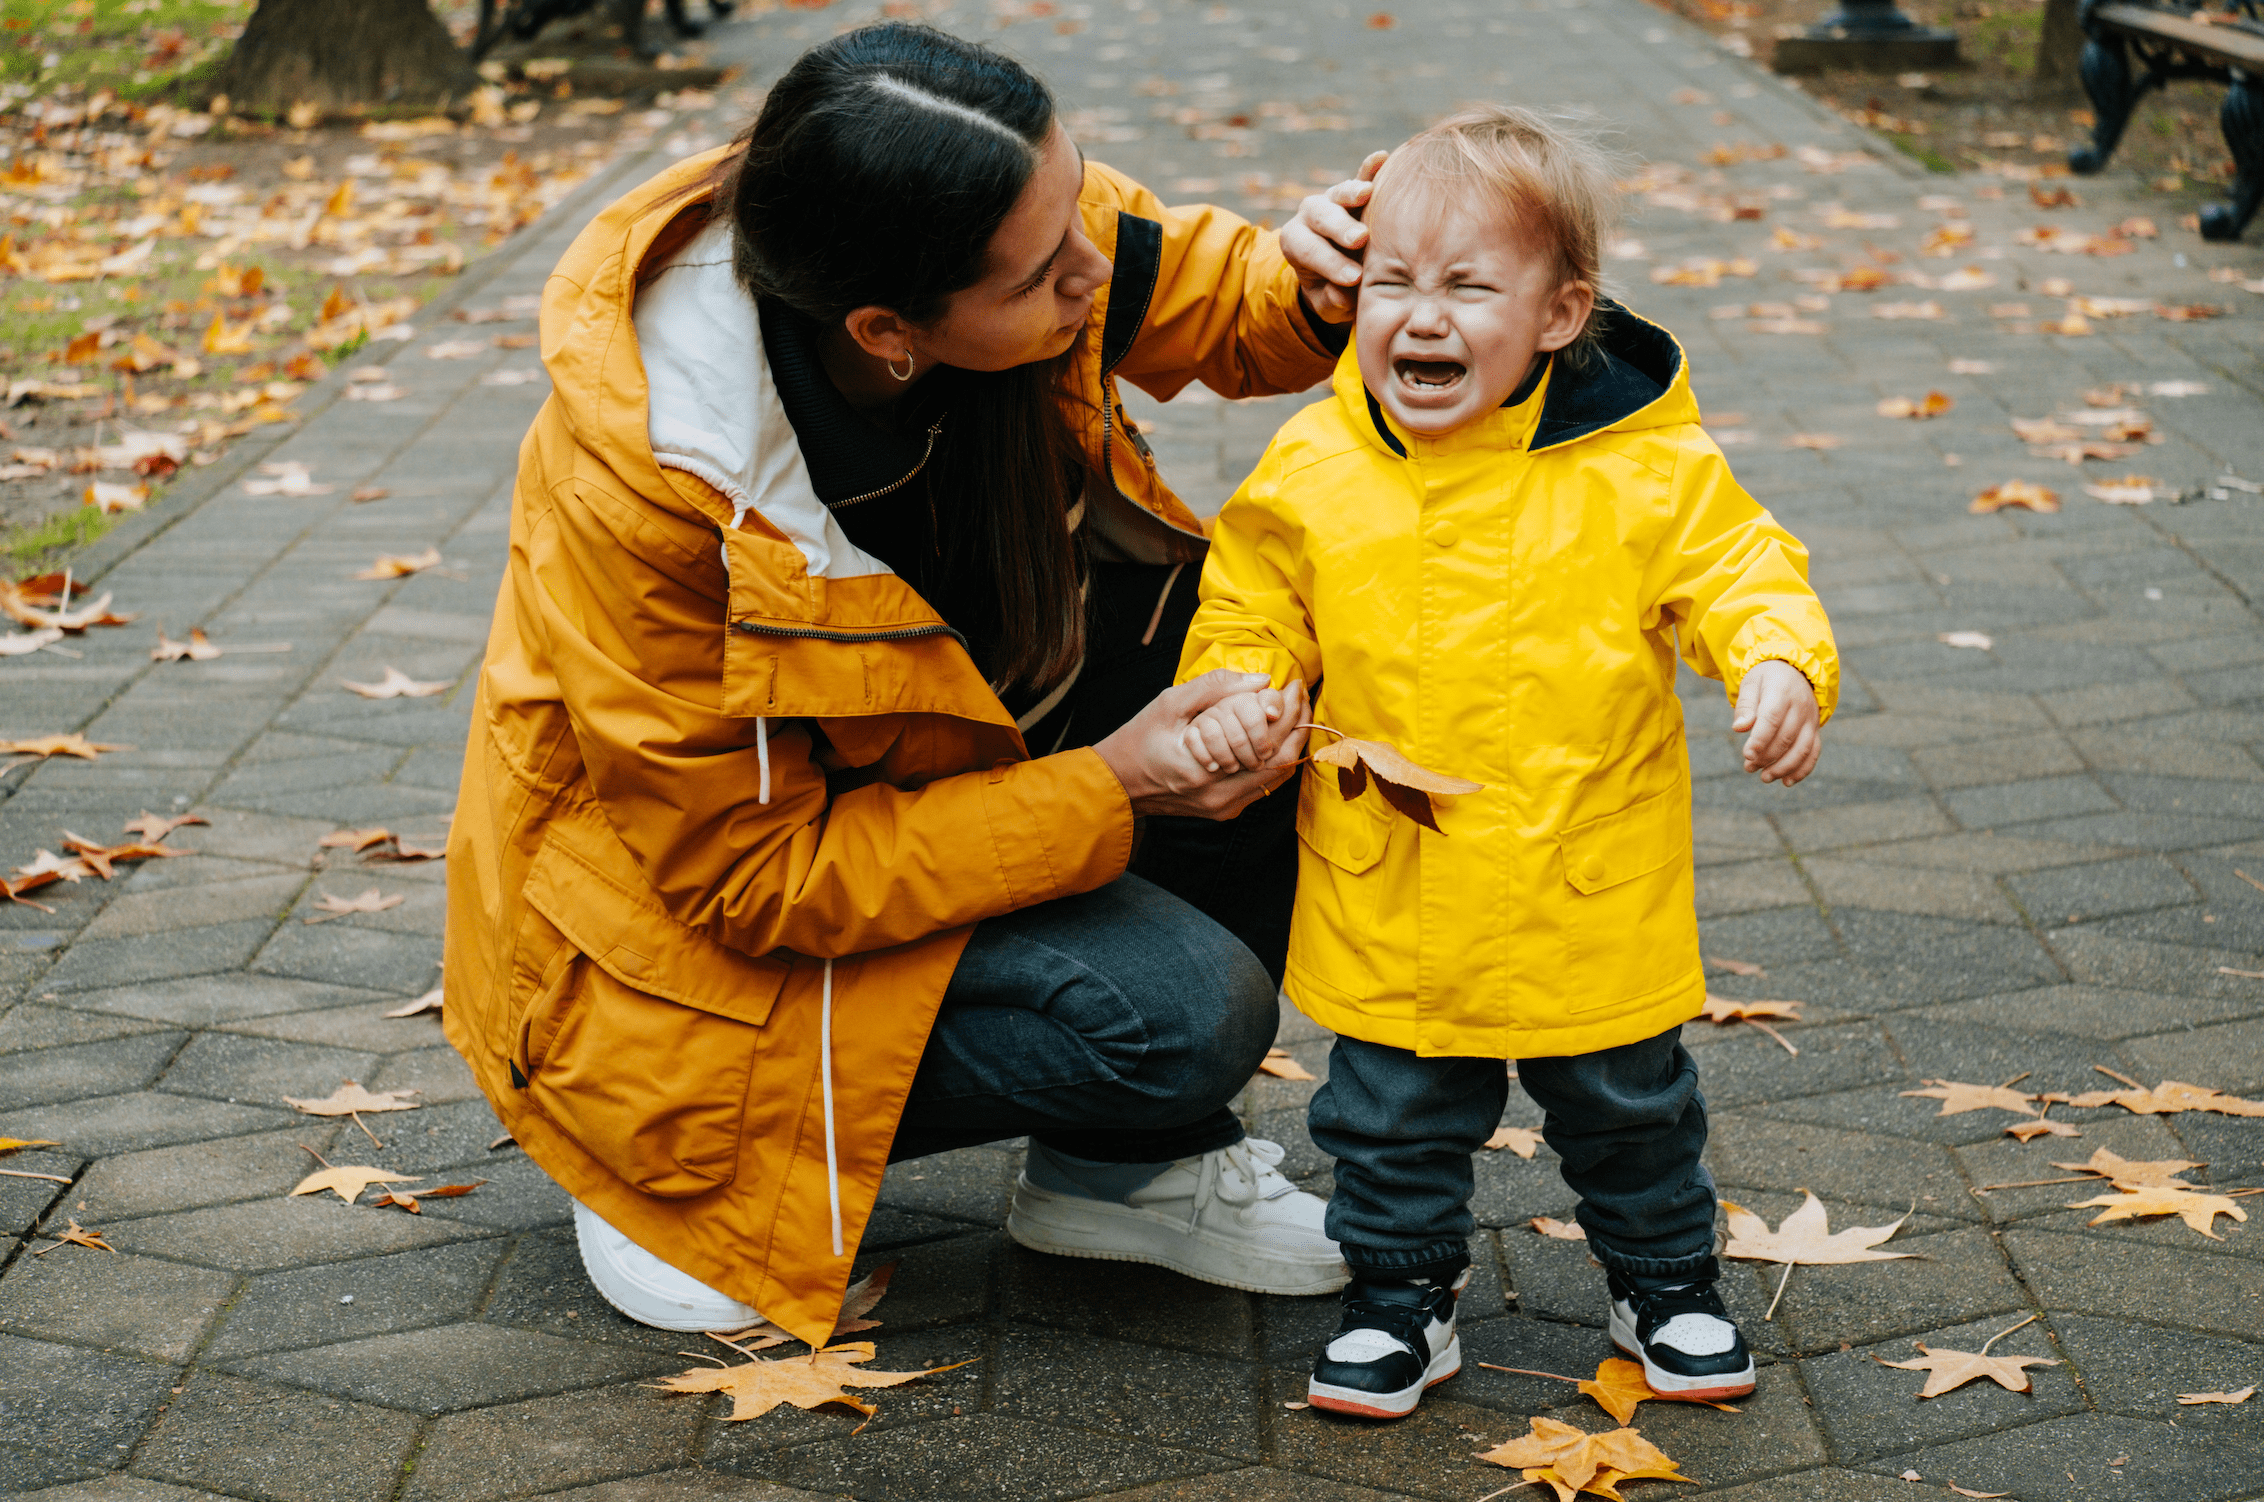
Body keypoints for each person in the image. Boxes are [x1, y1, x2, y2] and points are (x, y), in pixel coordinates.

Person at [442, 22, 1391, 1346]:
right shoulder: (663, 490)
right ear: (887, 329)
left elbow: (1222, 298)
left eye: (1080, 203)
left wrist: (1325, 275)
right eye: (1046, 272)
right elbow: (753, 879)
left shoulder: (1005, 207)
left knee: (1259, 676)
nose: (1091, 265)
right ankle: (678, 1165)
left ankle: (1124, 1171)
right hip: (688, 948)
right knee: (1181, 1018)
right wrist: (1113, 787)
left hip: (936, 784)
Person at [1174, 104, 1838, 1420]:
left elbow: (1742, 569)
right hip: (1397, 884)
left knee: (1631, 1108)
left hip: (1584, 884)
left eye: (1469, 287)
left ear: (1558, 313)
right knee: (1387, 1117)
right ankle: (1399, 1295)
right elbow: (1253, 599)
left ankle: (1664, 1280)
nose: (1421, 316)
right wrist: (1243, 684)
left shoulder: (1642, 464)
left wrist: (1776, 660)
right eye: (1392, 283)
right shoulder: (1316, 462)